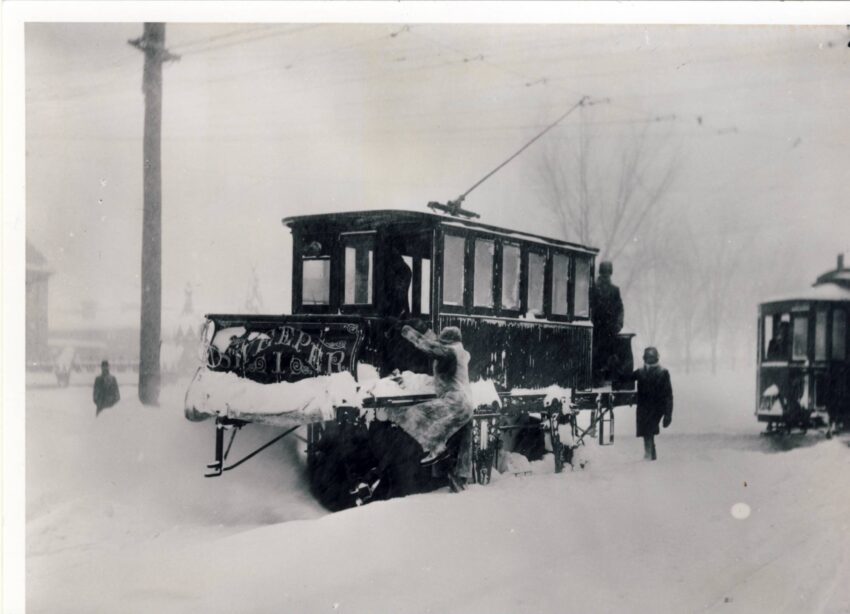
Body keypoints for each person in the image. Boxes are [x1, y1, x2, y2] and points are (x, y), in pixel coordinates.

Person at [630, 347, 673, 461]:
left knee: (649, 430)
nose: (650, 359)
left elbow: (668, 395)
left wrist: (668, 414)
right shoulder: (640, 371)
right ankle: (651, 454)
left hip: (656, 407)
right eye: (648, 357)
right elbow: (626, 378)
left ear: (656, 358)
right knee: (646, 431)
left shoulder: (663, 372)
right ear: (644, 358)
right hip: (643, 407)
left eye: (652, 357)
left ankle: (649, 455)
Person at [591, 260, 625, 384]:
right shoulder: (593, 288)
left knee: (611, 356)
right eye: (603, 274)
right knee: (594, 356)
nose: (605, 277)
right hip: (595, 329)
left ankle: (607, 378)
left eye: (607, 274)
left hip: (610, 330)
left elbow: (620, 308)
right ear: (600, 273)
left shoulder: (615, 290)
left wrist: (618, 324)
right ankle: (596, 378)